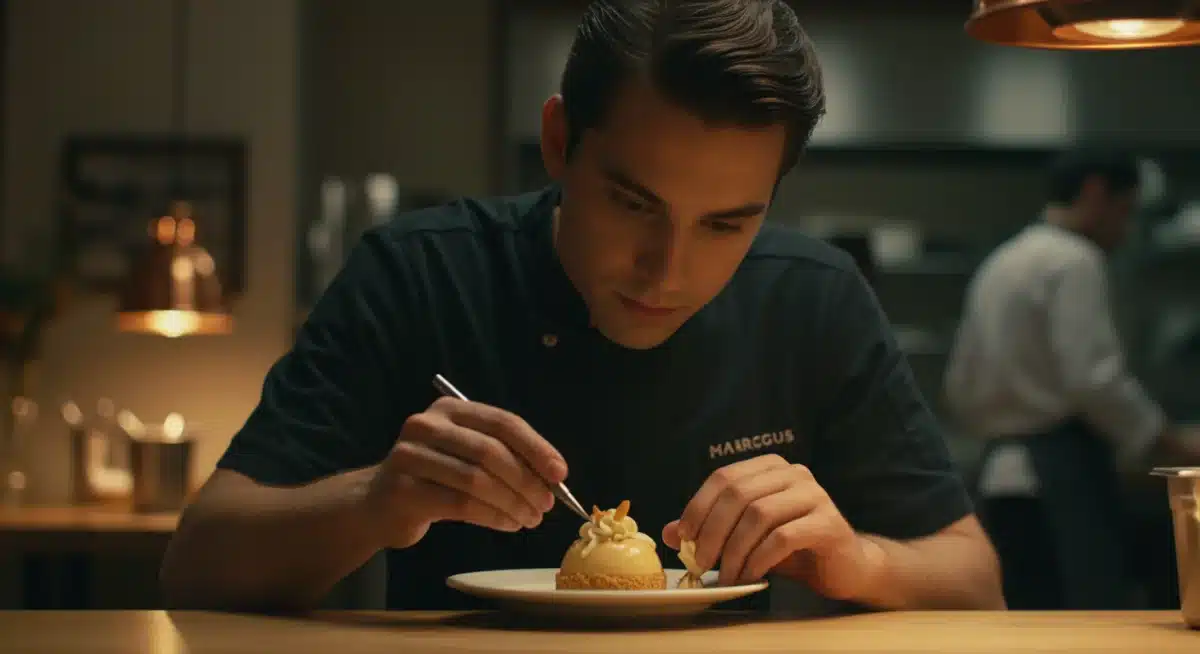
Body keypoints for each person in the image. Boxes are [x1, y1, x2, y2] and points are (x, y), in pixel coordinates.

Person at [161, 0, 1003, 613]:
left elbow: (975, 583)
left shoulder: (813, 298)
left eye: (725, 224)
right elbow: (196, 566)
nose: (667, 271)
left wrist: (855, 559)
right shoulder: (421, 273)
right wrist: (376, 501)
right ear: (560, 142)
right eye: (634, 204)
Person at [944, 150, 1200, 610]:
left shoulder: (1005, 259)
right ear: (1096, 192)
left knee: (1022, 617)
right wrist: (1171, 442)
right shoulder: (1074, 260)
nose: (1126, 231)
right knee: (1081, 614)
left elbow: (959, 385)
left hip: (999, 477)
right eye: (1126, 212)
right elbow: (1096, 379)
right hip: (1059, 476)